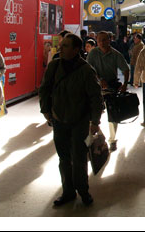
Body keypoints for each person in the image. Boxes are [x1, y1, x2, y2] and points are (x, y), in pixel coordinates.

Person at [39, 34, 103, 207]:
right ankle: (68, 191)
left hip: (79, 121)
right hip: (59, 120)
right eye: (62, 45)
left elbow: (96, 97)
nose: (61, 48)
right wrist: (45, 110)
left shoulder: (86, 70)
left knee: (79, 158)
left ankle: (83, 191)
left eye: (66, 46)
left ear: (76, 50)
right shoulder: (54, 66)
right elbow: (44, 89)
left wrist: (95, 121)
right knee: (64, 158)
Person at [86, 31, 129, 152]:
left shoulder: (115, 54)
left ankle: (112, 139)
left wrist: (125, 84)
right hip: (95, 88)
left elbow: (125, 69)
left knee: (113, 114)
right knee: (92, 113)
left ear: (109, 40)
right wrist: (99, 80)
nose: (103, 43)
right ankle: (91, 139)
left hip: (112, 87)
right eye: (100, 40)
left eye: (105, 40)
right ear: (97, 41)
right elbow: (88, 70)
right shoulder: (93, 53)